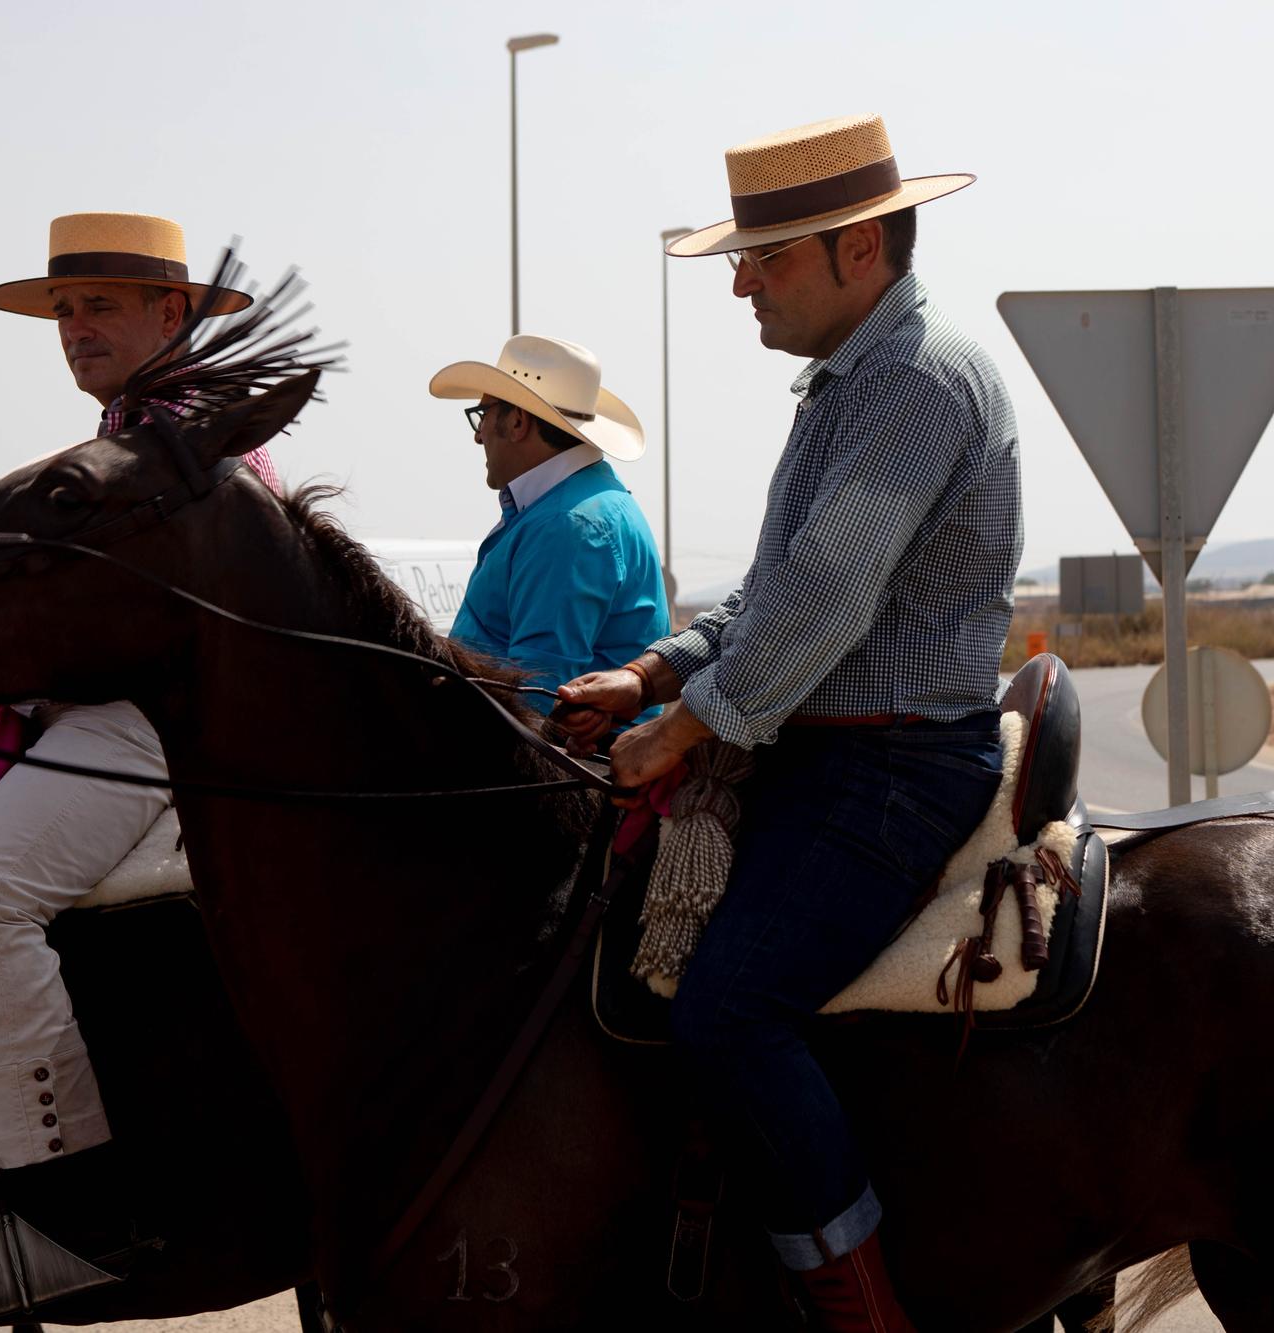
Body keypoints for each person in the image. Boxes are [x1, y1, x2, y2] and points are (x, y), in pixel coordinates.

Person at [554, 114, 1022, 1329]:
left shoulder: (914, 382)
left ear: (857, 247)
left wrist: (691, 725)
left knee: (729, 1008)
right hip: (833, 748)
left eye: (762, 259)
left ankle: (857, 1308)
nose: (740, 284)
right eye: (736, 260)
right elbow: (772, 595)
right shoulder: (851, 382)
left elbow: (827, 593)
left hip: (890, 766)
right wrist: (653, 674)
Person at [0, 212, 274, 1264]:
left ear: (170, 311)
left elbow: (143, 622)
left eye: (99, 306)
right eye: (64, 310)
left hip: (150, 722)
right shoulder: (144, 420)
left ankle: (63, 1183)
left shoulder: (174, 436)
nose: (74, 327)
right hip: (116, 705)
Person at [428, 336, 668, 719]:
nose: (478, 434)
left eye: (483, 415)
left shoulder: (566, 524)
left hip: (554, 768)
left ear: (518, 422)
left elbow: (532, 694)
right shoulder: (578, 505)